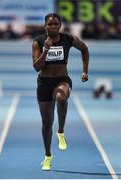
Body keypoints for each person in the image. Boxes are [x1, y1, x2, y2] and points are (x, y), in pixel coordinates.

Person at [32, 13, 89, 171]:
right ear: (45, 26)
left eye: (56, 24)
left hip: (62, 79)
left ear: (60, 25)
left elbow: (84, 49)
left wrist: (85, 71)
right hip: (44, 83)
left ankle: (61, 131)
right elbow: (37, 67)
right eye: (50, 24)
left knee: (61, 97)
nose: (53, 26)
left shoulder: (68, 39)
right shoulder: (38, 41)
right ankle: (48, 156)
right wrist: (46, 50)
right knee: (46, 124)